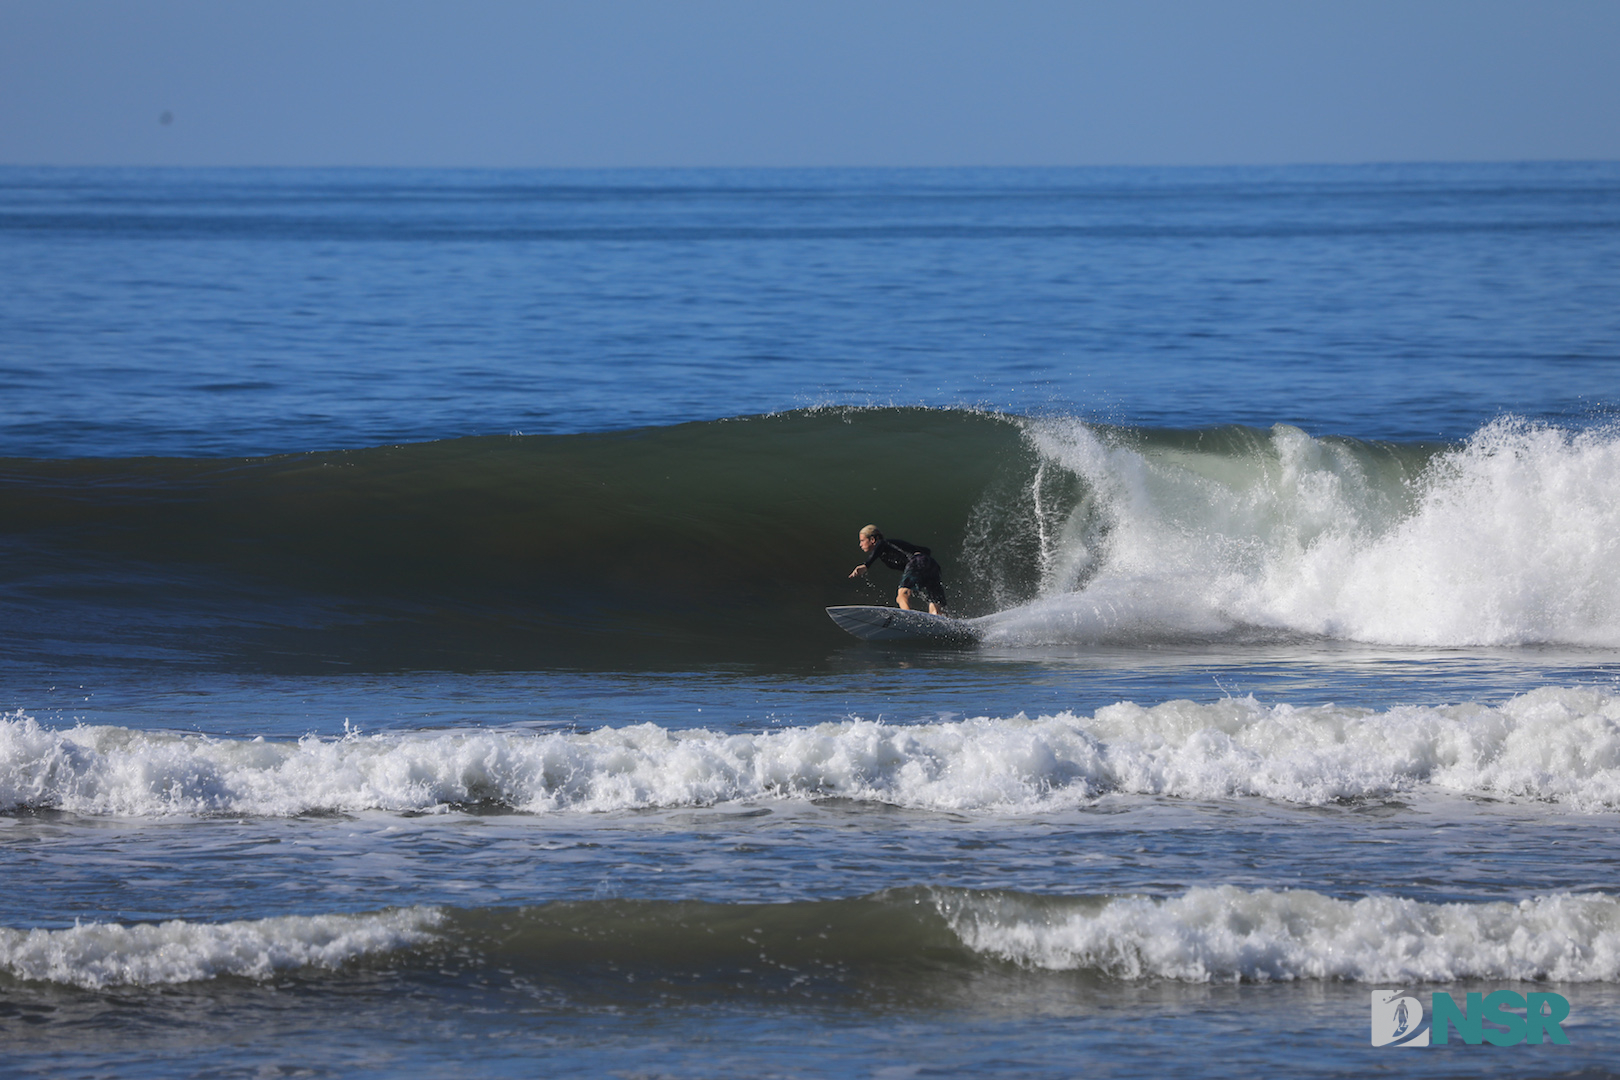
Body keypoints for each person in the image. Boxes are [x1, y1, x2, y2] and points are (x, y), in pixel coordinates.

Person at [848, 524, 950, 615]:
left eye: (862, 540)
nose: (860, 544)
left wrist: (866, 565)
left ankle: (908, 616)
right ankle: (937, 618)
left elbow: (881, 544)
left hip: (917, 561)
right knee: (935, 601)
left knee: (901, 595)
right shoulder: (893, 547)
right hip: (931, 564)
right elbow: (927, 550)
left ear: (873, 540)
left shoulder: (883, 544)